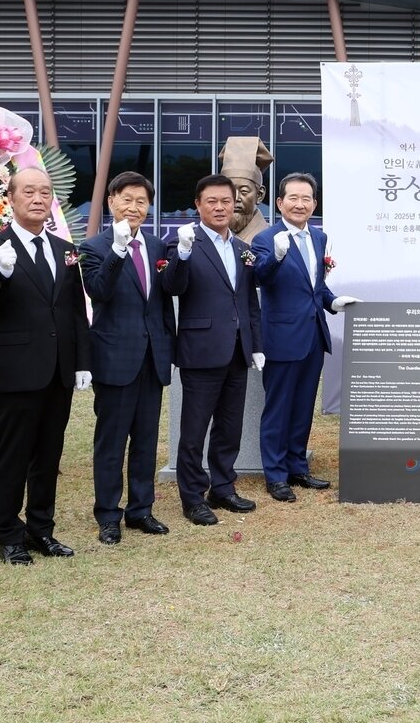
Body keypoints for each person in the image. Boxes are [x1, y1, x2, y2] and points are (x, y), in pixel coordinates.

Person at [0, 167, 92, 565]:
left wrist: (81, 363)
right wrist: (2, 276)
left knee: (48, 454)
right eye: (29, 192)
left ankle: (42, 529)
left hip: (58, 371)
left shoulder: (65, 249)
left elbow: (75, 311)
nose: (38, 198)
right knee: (13, 456)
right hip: (16, 370)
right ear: (11, 197)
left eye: (45, 192)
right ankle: (8, 534)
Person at [160, 174, 264, 526]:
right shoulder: (185, 243)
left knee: (229, 426)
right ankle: (192, 497)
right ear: (198, 205)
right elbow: (172, 286)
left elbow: (249, 301)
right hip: (201, 350)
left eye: (226, 201)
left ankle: (223, 486)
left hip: (238, 351)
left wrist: (256, 345)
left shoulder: (241, 249)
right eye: (212, 201)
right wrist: (184, 254)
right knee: (194, 429)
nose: (220, 207)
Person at [79, 171, 176, 545]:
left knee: (147, 441)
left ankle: (141, 510)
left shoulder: (156, 246)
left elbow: (164, 300)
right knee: (111, 442)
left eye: (141, 201)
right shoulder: (94, 247)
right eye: (127, 199)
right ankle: (108, 515)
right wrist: (118, 251)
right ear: (111, 202)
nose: (134, 207)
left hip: (152, 358)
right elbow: (99, 291)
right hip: (115, 359)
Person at [252, 172, 359, 502]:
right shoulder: (265, 239)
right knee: (278, 408)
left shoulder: (319, 238)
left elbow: (317, 287)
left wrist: (333, 301)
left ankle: (298, 467)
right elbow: (259, 277)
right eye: (293, 198)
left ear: (314, 203)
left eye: (307, 199)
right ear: (280, 202)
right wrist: (278, 255)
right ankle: (276, 475)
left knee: (302, 407)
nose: (300, 204)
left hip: (314, 335)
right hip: (282, 338)